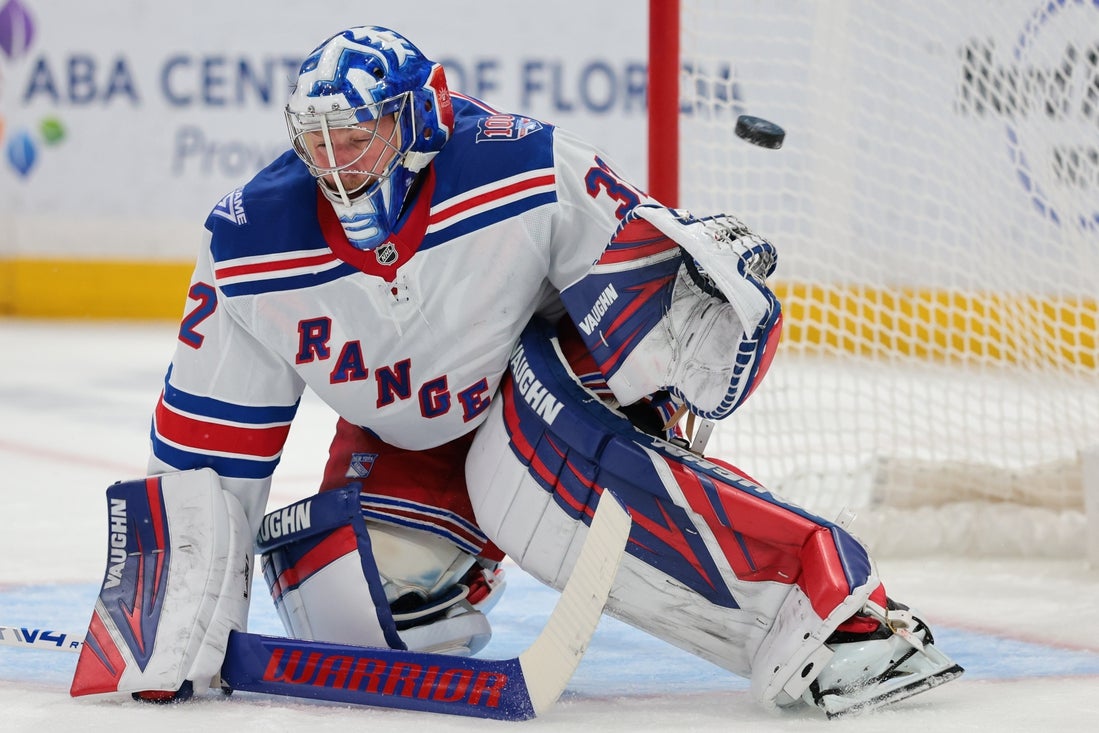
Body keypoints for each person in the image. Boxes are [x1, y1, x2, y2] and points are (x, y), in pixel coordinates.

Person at [69, 25, 962, 716]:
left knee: (544, 471)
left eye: (359, 136)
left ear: (419, 118)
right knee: (357, 608)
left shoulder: (522, 165)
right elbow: (207, 448)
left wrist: (704, 317)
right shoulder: (249, 244)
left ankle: (830, 607)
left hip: (545, 391)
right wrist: (169, 621)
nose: (336, 164)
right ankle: (459, 560)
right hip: (408, 437)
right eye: (320, 141)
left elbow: (663, 321)